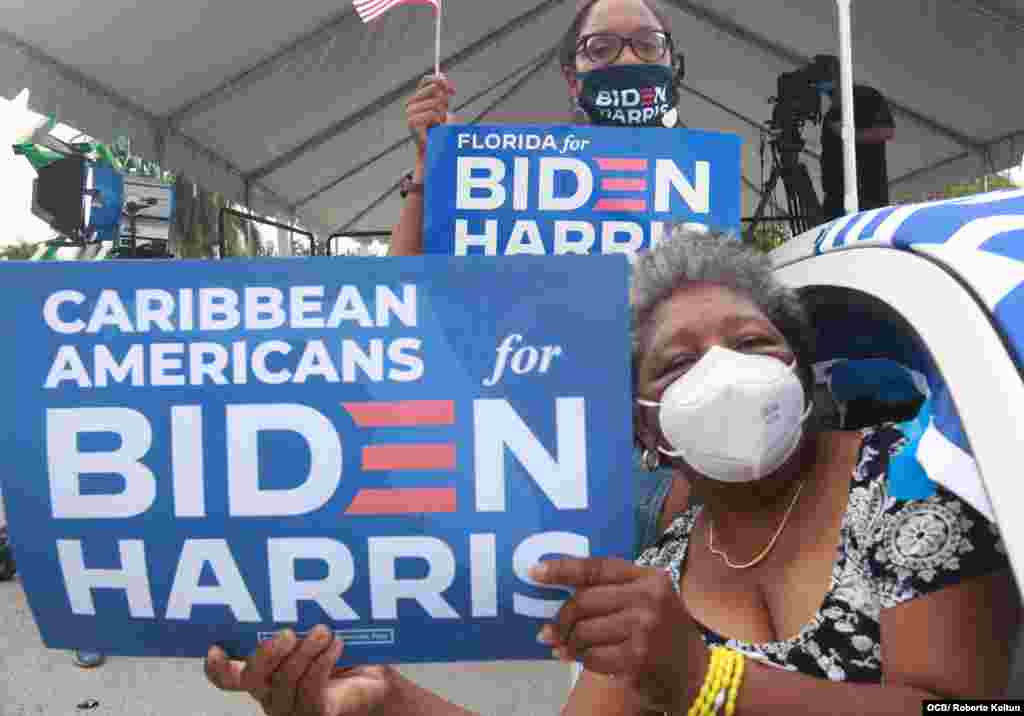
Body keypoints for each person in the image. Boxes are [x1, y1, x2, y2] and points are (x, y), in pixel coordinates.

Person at [204, 226, 1020, 714]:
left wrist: (707, 682)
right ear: (645, 427)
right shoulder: (657, 575)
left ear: (802, 374)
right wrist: (385, 698)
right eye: (677, 363)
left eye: (752, 343)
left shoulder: (909, 488)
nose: (723, 373)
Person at [391, 0, 691, 557]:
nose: (626, 58)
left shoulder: (696, 180)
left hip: (663, 477)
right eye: (601, 48)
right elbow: (407, 291)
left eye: (645, 44)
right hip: (532, 468)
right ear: (572, 77)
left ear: (671, 62)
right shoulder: (513, 178)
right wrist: (433, 167)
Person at [816, 56, 896, 222]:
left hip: (868, 196)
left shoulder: (867, 96)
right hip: (834, 200)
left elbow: (887, 131)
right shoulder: (831, 114)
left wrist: (851, 135)